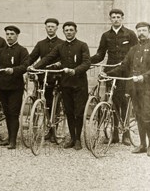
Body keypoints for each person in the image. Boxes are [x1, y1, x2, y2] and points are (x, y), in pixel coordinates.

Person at [105, 22, 150, 156]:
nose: (141, 33)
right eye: (139, 31)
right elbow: (124, 66)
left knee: (147, 116)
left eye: (144, 30)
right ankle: (142, 144)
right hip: (134, 88)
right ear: (136, 33)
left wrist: (144, 77)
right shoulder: (133, 49)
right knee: (138, 116)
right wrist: (108, 73)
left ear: (149, 32)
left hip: (147, 88)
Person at [29, 21, 91, 150]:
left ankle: (78, 139)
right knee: (68, 111)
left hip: (79, 85)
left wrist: (75, 70)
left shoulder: (82, 45)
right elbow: (48, 58)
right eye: (66, 30)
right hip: (66, 84)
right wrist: (34, 67)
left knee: (78, 112)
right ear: (63, 32)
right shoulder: (60, 46)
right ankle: (72, 139)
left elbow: (86, 63)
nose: (68, 32)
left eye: (71, 30)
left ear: (75, 31)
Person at [90, 8, 138, 145]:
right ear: (110, 19)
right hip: (110, 72)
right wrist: (87, 62)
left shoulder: (130, 34)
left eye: (118, 17)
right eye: (113, 17)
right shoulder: (106, 35)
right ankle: (115, 134)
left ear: (122, 18)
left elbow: (134, 54)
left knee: (124, 102)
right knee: (112, 102)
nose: (116, 19)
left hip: (125, 73)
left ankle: (126, 135)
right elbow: (100, 54)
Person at [27, 18, 65, 143]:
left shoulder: (62, 43)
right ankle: (45, 129)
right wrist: (27, 66)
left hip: (56, 77)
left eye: (52, 27)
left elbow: (65, 60)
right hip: (43, 77)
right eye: (48, 26)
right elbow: (32, 57)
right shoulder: (40, 44)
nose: (50, 29)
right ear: (45, 28)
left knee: (55, 103)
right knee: (44, 103)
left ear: (57, 28)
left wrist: (59, 64)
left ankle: (53, 131)